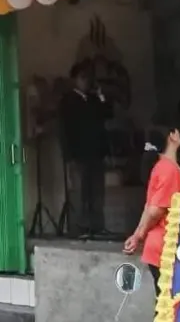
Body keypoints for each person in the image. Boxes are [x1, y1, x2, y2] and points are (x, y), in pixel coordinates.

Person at [124, 125, 180, 297]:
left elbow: (149, 206)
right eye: (176, 130)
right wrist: (140, 234)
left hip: (165, 248)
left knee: (167, 306)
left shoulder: (163, 167)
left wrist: (138, 234)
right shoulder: (169, 170)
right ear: (171, 137)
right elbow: (155, 210)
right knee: (170, 307)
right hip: (167, 249)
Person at [59, 60, 112, 238]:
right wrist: (68, 155)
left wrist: (101, 95)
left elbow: (107, 115)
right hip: (78, 154)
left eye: (88, 78)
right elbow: (65, 130)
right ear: (74, 79)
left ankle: (97, 226)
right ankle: (79, 228)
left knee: (96, 193)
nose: (86, 81)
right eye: (82, 78)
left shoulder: (93, 100)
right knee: (79, 193)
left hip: (96, 154)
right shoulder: (68, 101)